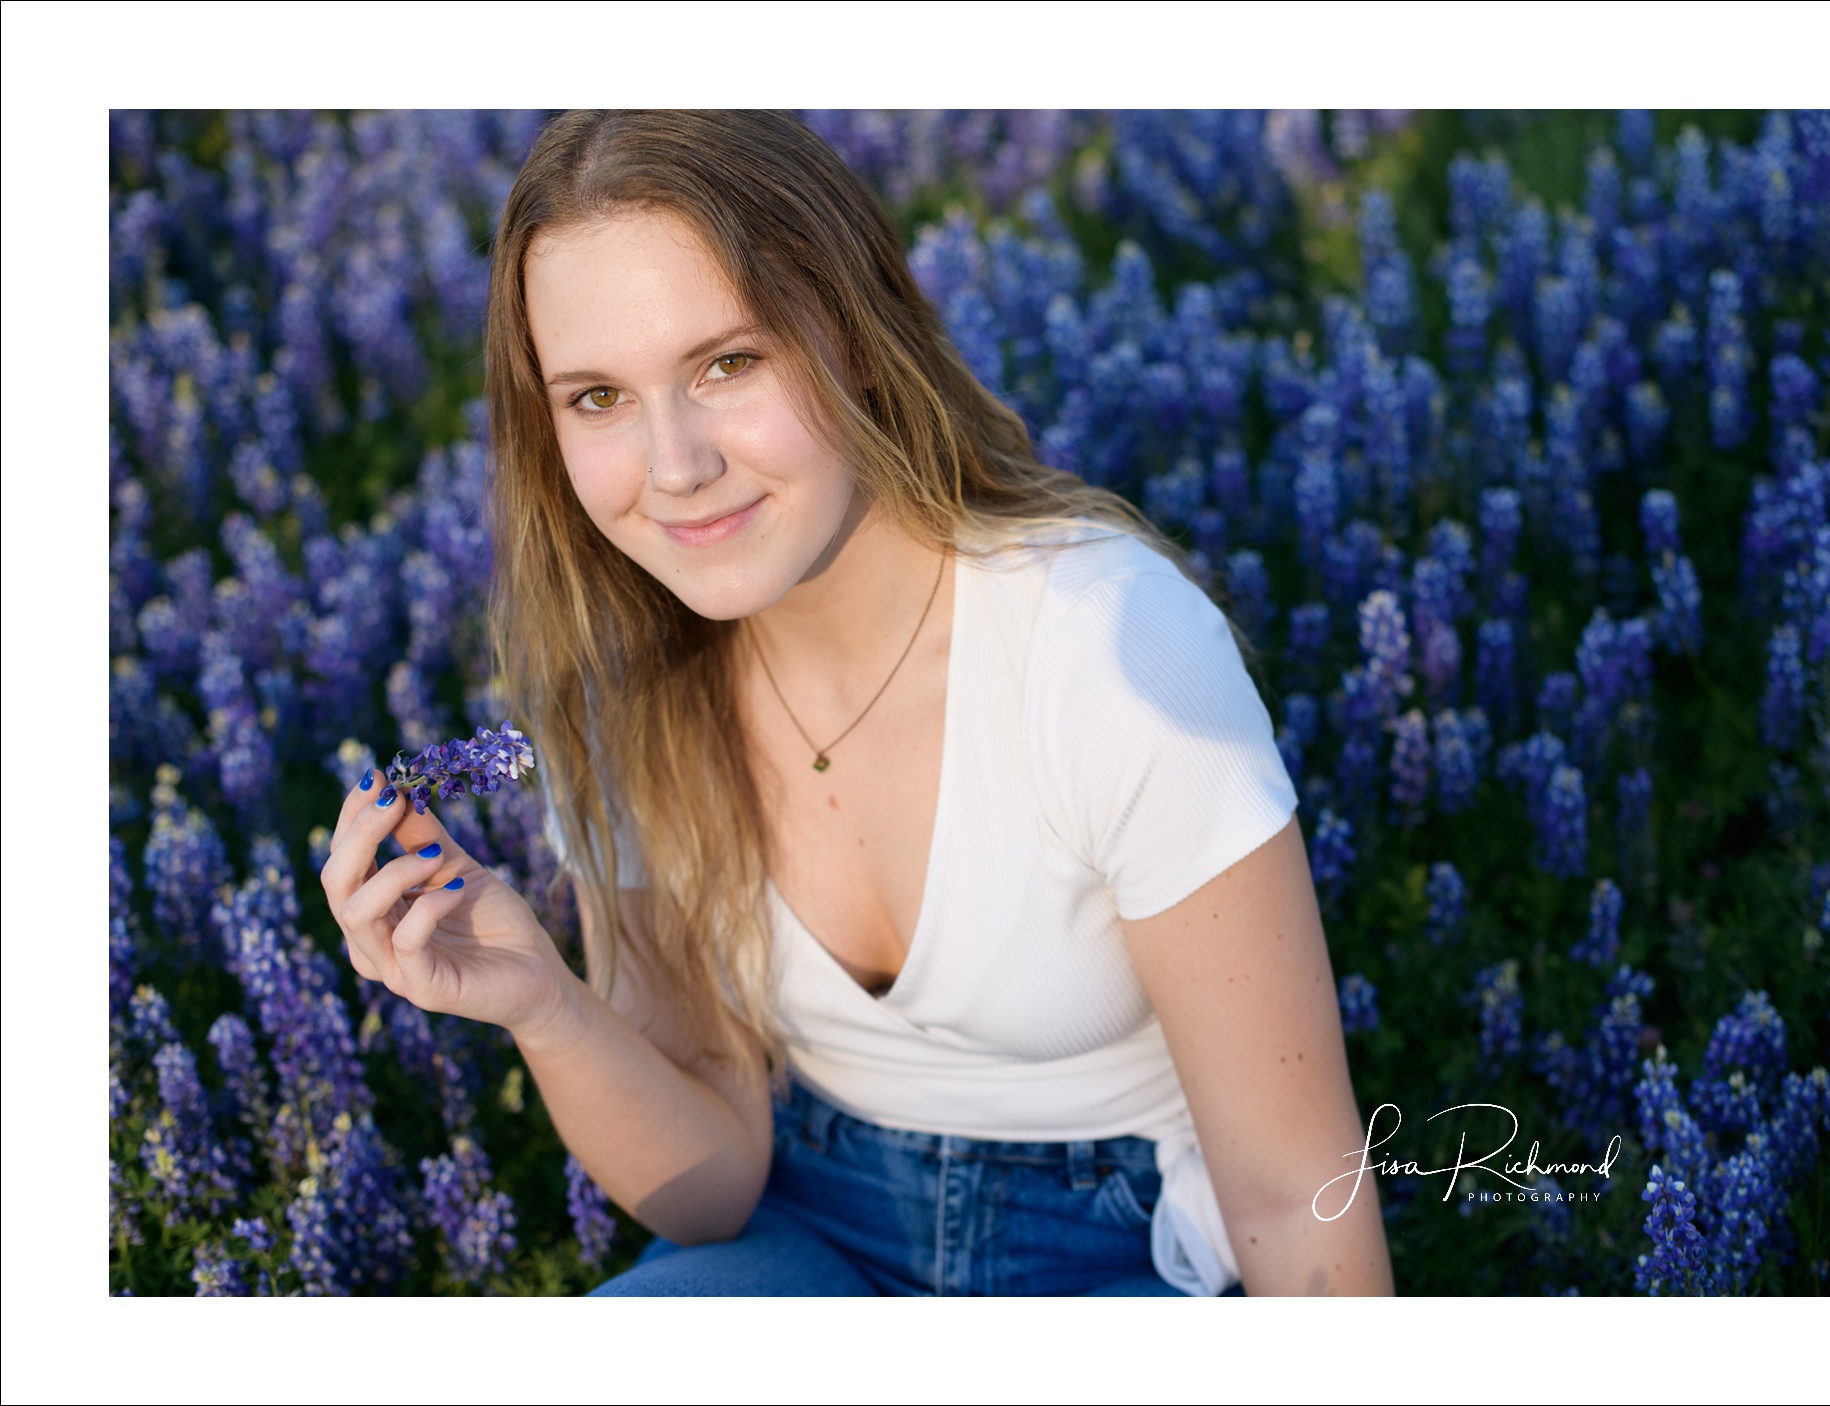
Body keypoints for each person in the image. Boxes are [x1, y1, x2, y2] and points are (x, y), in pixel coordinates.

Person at [319, 110, 1393, 1297]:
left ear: (859, 333)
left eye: (728, 362)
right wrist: (543, 1000)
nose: (673, 465)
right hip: (801, 1220)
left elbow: (1294, 1198)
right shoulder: (617, 687)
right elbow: (713, 1178)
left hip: (1117, 1244)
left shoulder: (1105, 652)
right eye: (597, 397)